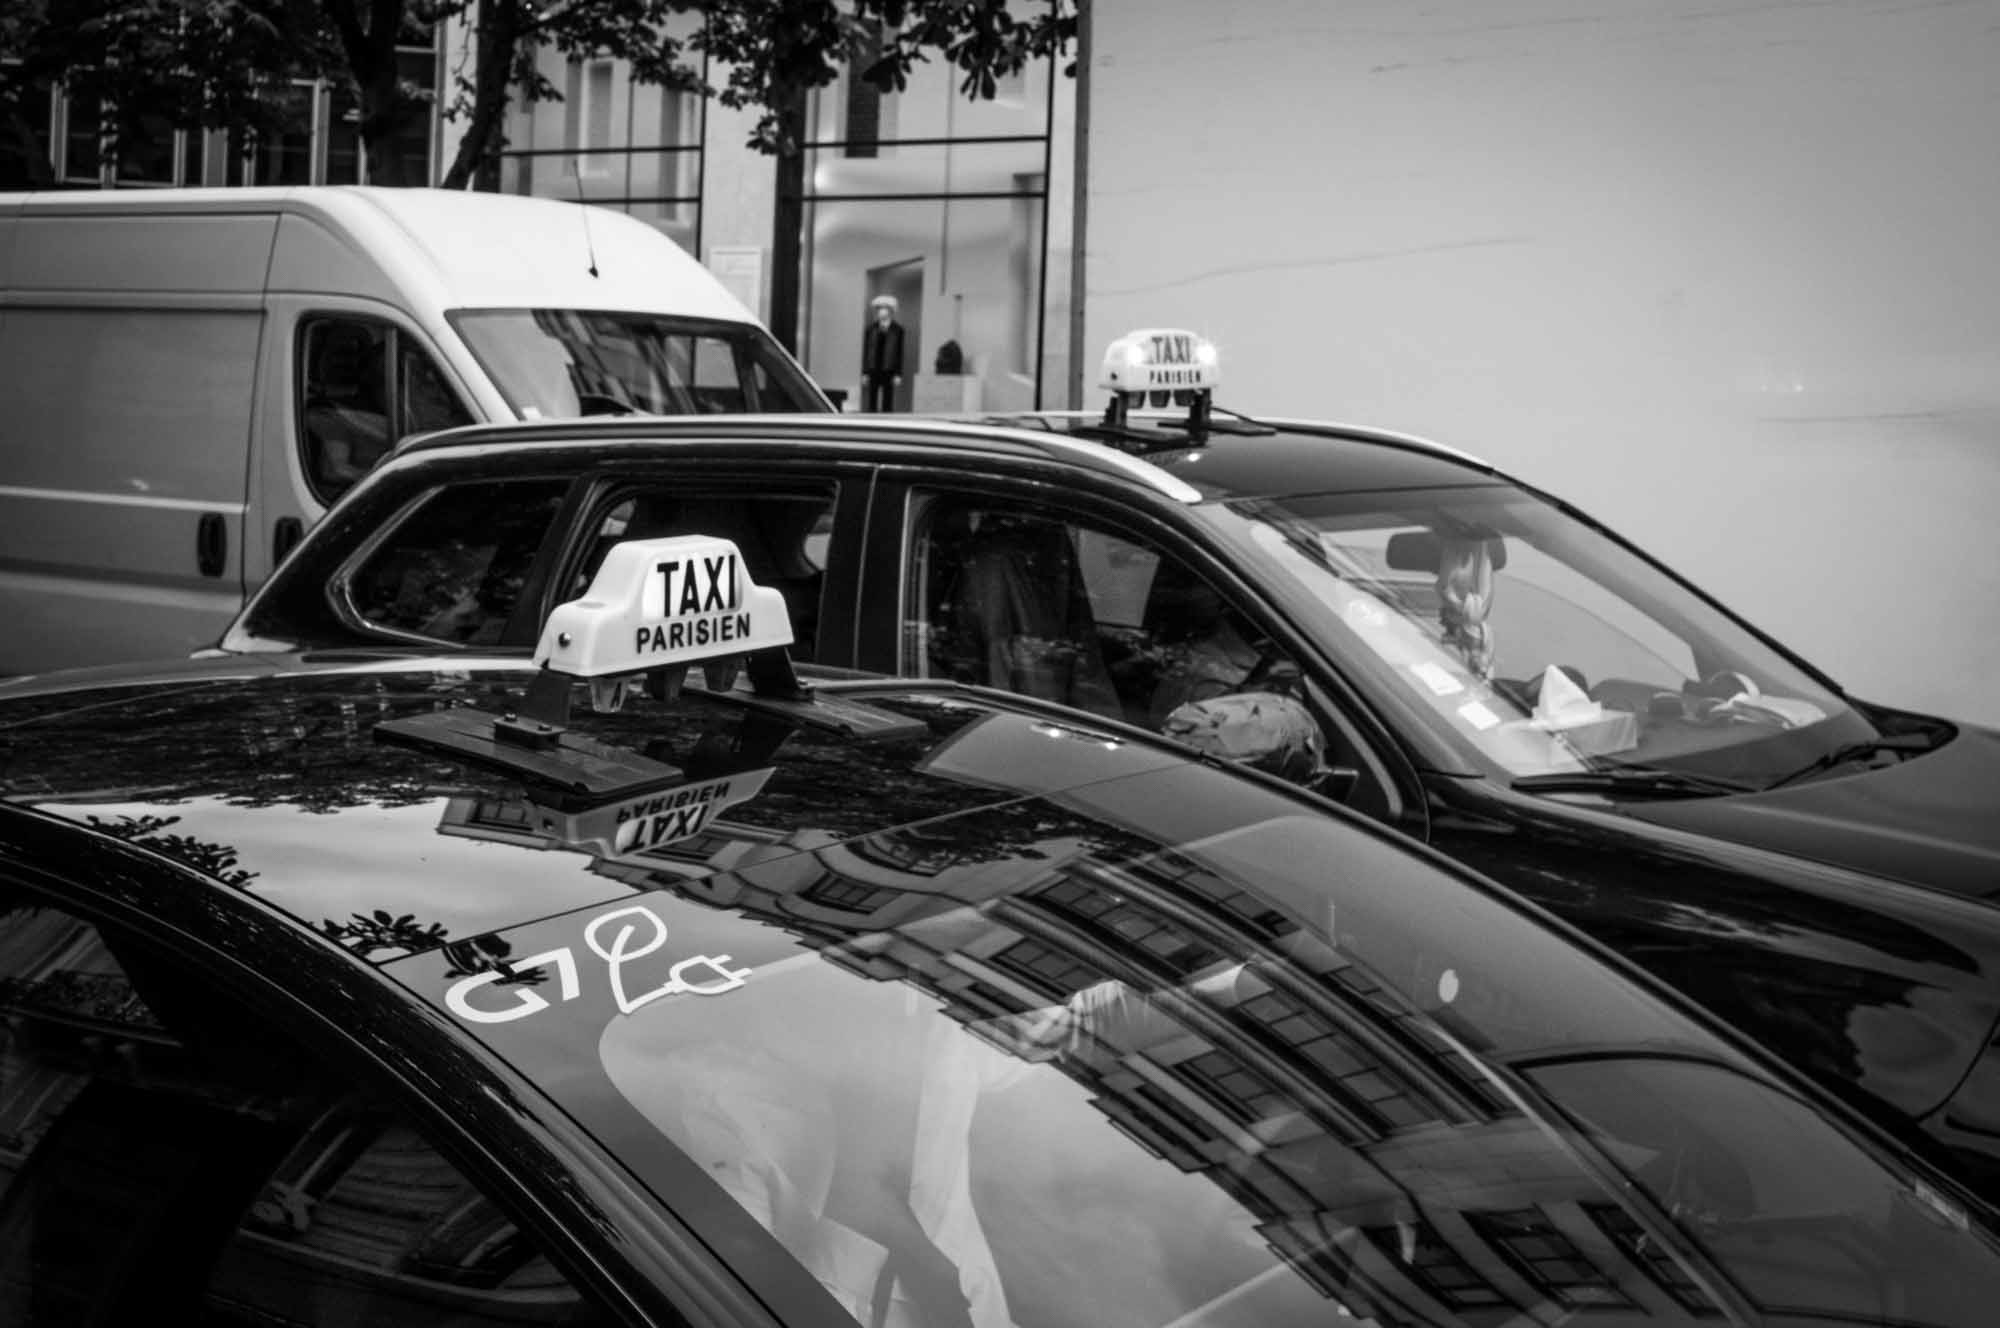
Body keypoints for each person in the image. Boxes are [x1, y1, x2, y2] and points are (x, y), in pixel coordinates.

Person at [860, 294, 906, 413]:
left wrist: (898, 374)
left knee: (888, 400)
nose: (881, 311)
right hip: (873, 368)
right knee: (872, 400)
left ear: (890, 311)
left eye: (884, 308)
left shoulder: (897, 330)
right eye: (879, 309)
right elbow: (866, 351)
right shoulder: (871, 329)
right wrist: (864, 372)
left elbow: (899, 352)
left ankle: (887, 422)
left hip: (889, 369)